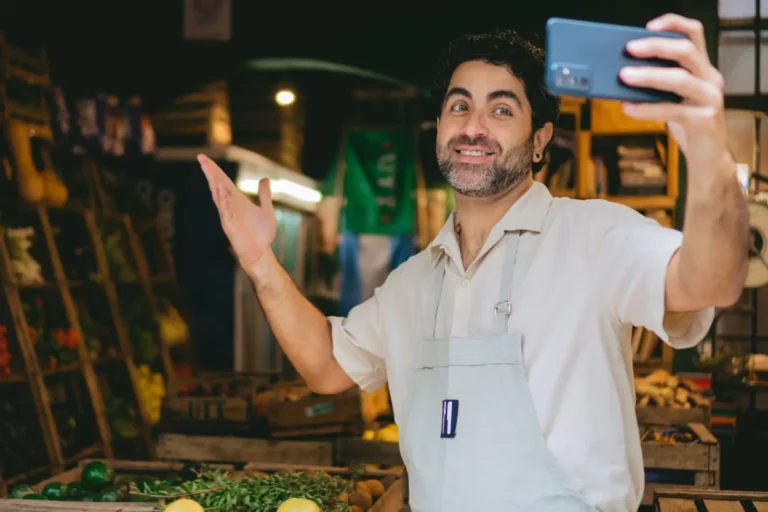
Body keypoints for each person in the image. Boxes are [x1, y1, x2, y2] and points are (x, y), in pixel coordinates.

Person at [198, 13, 748, 512]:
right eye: (459, 105)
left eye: (501, 109)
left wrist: (709, 151)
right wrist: (259, 261)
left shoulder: (594, 235)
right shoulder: (413, 280)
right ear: (439, 127)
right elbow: (325, 366)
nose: (474, 126)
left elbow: (712, 282)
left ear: (540, 142)